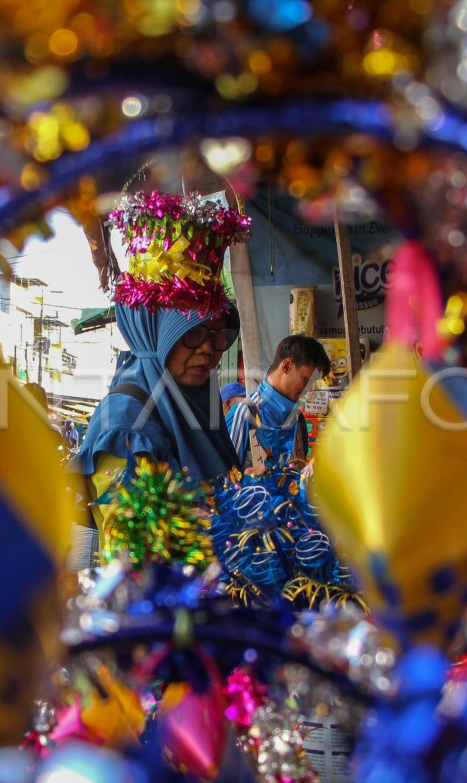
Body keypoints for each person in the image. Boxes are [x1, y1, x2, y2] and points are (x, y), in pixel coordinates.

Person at [71, 190, 250, 554]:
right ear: (154, 332)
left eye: (218, 336)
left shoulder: (199, 403)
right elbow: (137, 559)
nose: (208, 349)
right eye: (191, 332)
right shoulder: (124, 429)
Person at [227, 334, 330, 467]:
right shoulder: (244, 413)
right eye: (306, 380)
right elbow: (226, 479)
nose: (309, 390)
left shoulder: (297, 418)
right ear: (286, 366)